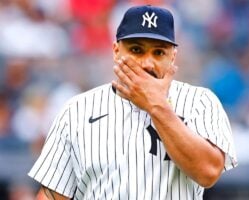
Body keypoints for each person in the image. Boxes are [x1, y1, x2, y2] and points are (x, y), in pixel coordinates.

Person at [28, 5, 237, 200]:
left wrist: (156, 106)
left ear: (173, 57)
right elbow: (52, 195)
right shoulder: (77, 111)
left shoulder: (199, 102)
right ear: (116, 50)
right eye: (136, 50)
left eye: (159, 52)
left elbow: (208, 172)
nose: (147, 63)